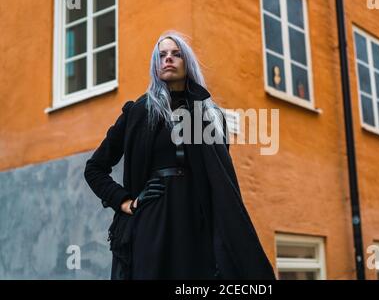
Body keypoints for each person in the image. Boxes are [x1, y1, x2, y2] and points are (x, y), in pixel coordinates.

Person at [84, 30, 276, 280]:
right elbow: (94, 168)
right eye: (162, 55)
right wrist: (126, 203)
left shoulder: (210, 115)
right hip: (152, 221)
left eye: (176, 54)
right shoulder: (138, 112)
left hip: (197, 220)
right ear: (156, 64)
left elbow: (220, 179)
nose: (169, 59)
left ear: (188, 62)